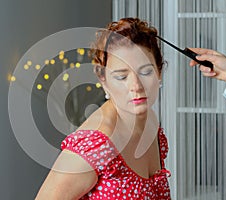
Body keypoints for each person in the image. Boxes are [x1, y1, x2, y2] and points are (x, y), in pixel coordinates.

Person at [35, 17, 171, 199]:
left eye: (146, 72)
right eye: (122, 77)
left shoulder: (150, 122)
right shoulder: (96, 144)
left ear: (159, 71)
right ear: (104, 81)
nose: (136, 86)